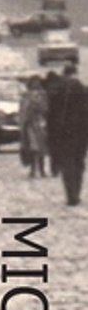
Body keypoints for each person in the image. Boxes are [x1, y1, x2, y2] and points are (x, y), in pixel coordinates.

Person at [49, 62, 88, 205]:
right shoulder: (83, 90)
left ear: (64, 73)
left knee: (68, 162)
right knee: (79, 162)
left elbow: (51, 114)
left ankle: (71, 194)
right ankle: (76, 191)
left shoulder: (57, 91)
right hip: (81, 132)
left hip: (63, 132)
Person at [18, 75, 48, 178]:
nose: (36, 84)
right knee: (32, 148)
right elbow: (22, 110)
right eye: (34, 82)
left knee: (41, 148)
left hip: (40, 123)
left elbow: (45, 108)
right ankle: (32, 170)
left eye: (38, 82)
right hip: (29, 124)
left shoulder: (43, 94)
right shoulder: (25, 96)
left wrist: (37, 106)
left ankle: (42, 170)